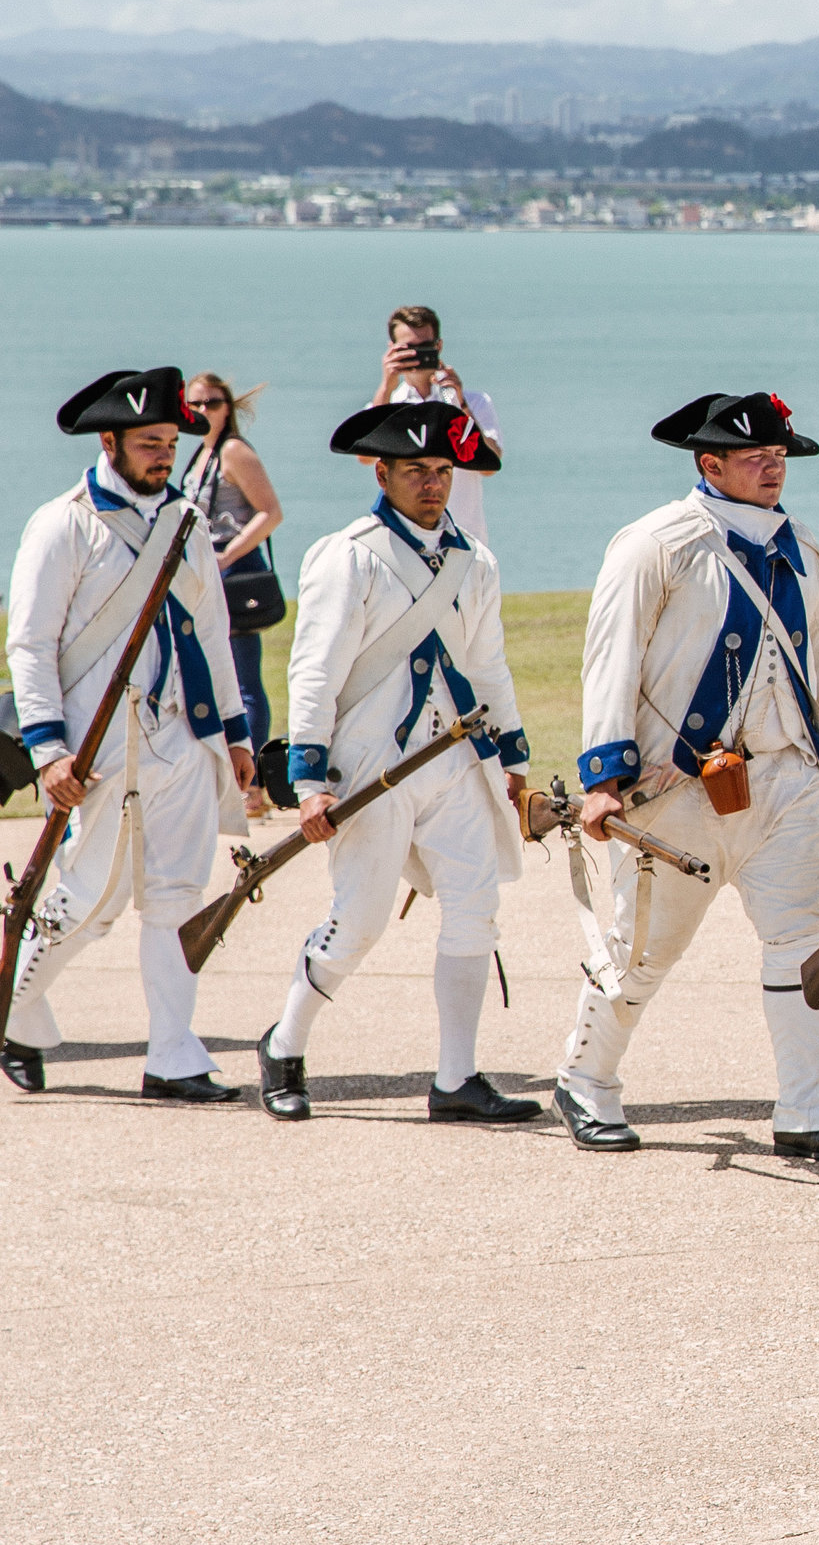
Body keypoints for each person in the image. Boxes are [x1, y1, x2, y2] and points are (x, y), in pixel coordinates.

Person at [554, 391, 819, 1156]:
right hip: (677, 787)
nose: (773, 468)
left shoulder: (799, 542)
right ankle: (586, 1080)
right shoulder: (655, 543)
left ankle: (802, 1107)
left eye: (779, 456)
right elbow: (611, 661)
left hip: (788, 779)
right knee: (642, 953)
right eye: (755, 457)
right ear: (710, 464)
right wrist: (604, 773)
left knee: (803, 942)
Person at [255, 401, 538, 1125]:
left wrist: (512, 751)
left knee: (477, 909)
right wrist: (311, 780)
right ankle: (285, 1044)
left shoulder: (476, 561)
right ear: (381, 472)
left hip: (456, 760)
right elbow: (313, 674)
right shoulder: (347, 555)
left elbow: (489, 663)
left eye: (442, 470)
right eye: (416, 470)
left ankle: (457, 1079)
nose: (433, 484)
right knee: (360, 921)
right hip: (370, 763)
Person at [4, 368, 255, 1102]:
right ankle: (12, 1005)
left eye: (170, 443)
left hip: (180, 735)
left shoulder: (184, 521)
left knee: (176, 895)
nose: (163, 457)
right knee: (90, 898)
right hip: (98, 743)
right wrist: (47, 749)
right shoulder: (64, 522)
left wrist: (237, 734)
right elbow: (31, 645)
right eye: (149, 443)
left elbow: (213, 629)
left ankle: (174, 1052)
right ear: (109, 440)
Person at [179, 372, 283, 817]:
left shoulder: (233, 452)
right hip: (201, 576)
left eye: (213, 403)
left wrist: (225, 557)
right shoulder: (199, 454)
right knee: (210, 674)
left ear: (229, 407)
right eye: (195, 404)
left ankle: (253, 785)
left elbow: (270, 512)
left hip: (233, 574)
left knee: (242, 680)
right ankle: (227, 776)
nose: (204, 411)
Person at [371, 304, 502, 542]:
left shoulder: (472, 402)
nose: (417, 356)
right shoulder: (388, 403)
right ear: (392, 350)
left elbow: (490, 464)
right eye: (408, 349)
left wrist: (460, 404)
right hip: (403, 539)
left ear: (438, 346)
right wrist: (386, 385)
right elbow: (365, 455)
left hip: (465, 538)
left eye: (425, 348)